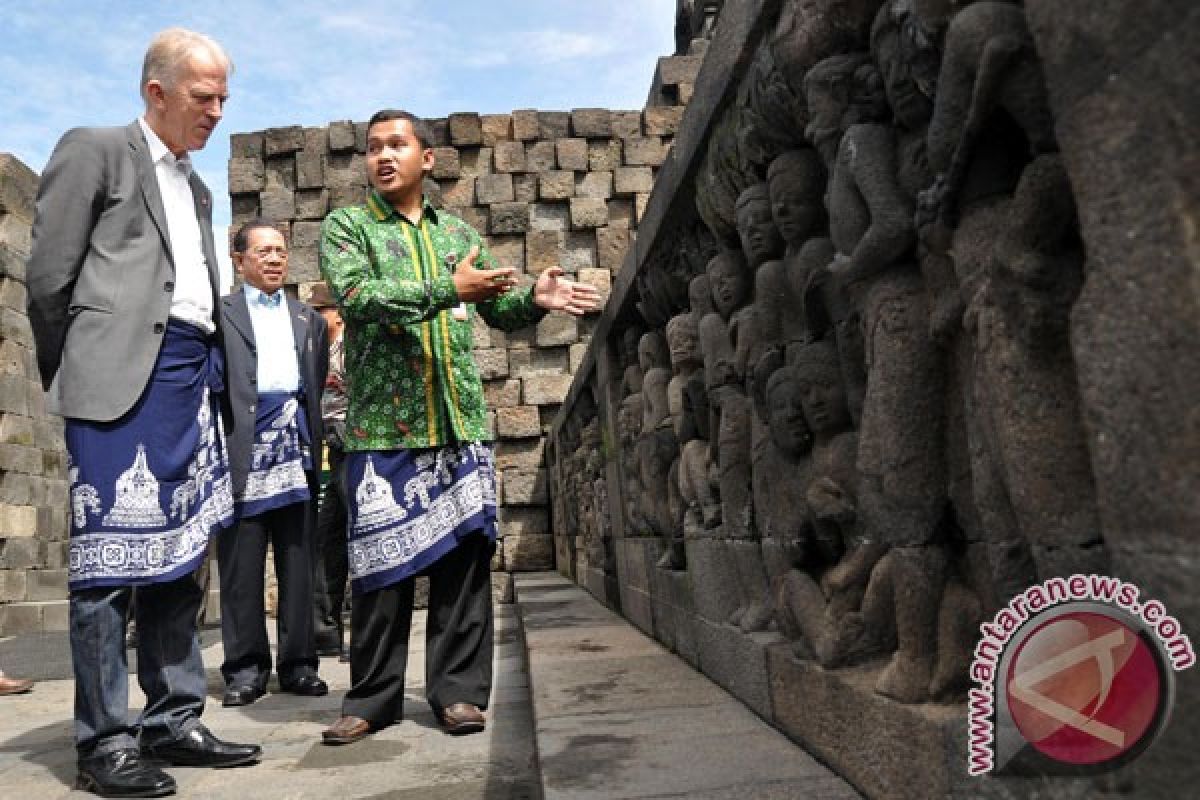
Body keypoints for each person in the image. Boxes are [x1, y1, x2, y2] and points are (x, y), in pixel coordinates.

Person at [25, 27, 261, 798]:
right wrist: (81, 370)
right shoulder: (94, 149)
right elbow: (49, 277)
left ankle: (173, 718)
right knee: (106, 566)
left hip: (190, 377)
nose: (217, 111)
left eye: (224, 97)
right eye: (204, 96)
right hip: (118, 377)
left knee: (178, 558)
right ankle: (105, 739)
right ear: (155, 92)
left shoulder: (198, 187)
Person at [318, 109, 599, 745]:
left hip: (458, 424)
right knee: (380, 575)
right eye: (372, 148)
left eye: (396, 145)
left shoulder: (458, 235)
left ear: (427, 160)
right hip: (382, 432)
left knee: (464, 569)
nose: (382, 157)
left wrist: (534, 296)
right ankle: (372, 698)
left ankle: (460, 694)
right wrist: (452, 288)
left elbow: (495, 304)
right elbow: (360, 298)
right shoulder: (349, 228)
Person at [216, 219, 329, 706]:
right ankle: (245, 669)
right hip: (241, 448)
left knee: (299, 563)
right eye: (262, 251)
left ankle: (300, 664)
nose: (274, 259)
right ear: (239, 259)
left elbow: (316, 382)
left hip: (296, 450)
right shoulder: (219, 315)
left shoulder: (310, 319)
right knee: (241, 567)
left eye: (281, 250)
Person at [308, 282, 351, 660]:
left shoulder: (350, 348)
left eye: (319, 312)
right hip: (332, 447)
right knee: (327, 541)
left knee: (358, 537)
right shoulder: (320, 352)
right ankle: (325, 630)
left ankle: (359, 632)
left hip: (356, 445)